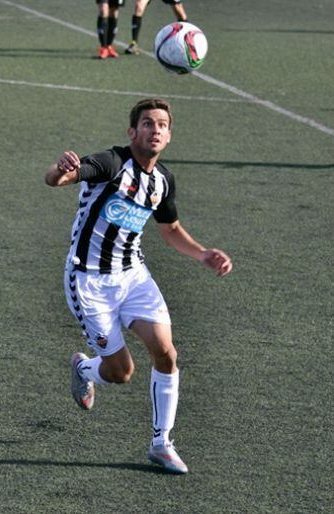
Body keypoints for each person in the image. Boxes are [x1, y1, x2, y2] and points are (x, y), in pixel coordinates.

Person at [44, 98, 232, 474]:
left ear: (169, 135)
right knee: (121, 372)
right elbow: (61, 178)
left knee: (166, 353)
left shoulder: (163, 180)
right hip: (89, 281)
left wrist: (202, 254)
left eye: (162, 124)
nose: (155, 130)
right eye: (147, 123)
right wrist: (61, 170)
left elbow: (170, 229)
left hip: (133, 277)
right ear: (133, 132)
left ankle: (161, 443)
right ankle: (84, 369)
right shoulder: (112, 163)